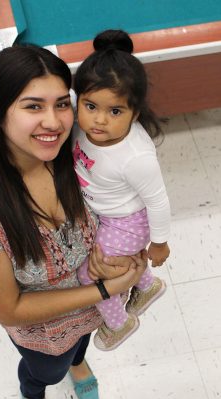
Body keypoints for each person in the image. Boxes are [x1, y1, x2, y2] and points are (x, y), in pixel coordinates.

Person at [0, 44, 147, 399]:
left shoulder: (76, 156)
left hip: (94, 308)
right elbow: (9, 308)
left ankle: (79, 359)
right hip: (44, 332)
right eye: (33, 106)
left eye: (61, 104)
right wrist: (105, 289)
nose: (53, 122)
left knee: (79, 348)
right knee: (47, 369)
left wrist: (114, 259)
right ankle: (32, 394)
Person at [73, 30, 171, 352]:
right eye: (90, 106)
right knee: (113, 264)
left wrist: (159, 244)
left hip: (128, 220)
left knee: (91, 272)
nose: (99, 120)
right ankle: (148, 286)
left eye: (115, 111)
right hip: (102, 210)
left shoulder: (136, 158)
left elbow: (158, 201)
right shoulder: (81, 123)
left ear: (135, 113)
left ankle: (119, 323)